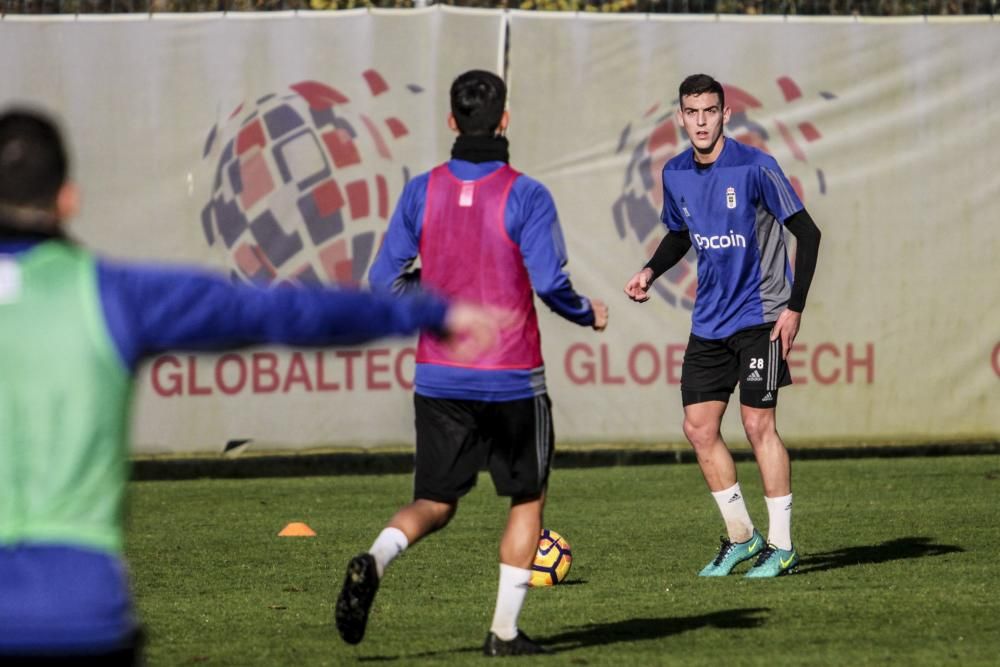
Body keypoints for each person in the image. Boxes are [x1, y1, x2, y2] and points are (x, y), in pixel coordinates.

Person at [0, 107, 499, 664]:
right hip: (75, 616)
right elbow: (281, 312)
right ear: (69, 198)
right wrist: (430, 312)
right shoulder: (110, 295)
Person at [335, 69, 608, 657]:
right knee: (526, 499)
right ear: (505, 120)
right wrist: (588, 314)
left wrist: (436, 308)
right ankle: (504, 633)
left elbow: (383, 282)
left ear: (451, 122)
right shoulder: (527, 195)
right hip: (511, 379)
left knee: (434, 502)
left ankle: (376, 558)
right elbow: (550, 283)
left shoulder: (421, 190)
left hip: (440, 378)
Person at [624, 74, 822, 578]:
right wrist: (651, 269)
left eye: (710, 111)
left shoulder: (756, 166)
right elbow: (678, 235)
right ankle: (742, 537)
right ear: (681, 118)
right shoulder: (675, 174)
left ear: (725, 114)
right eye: (692, 112)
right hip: (709, 322)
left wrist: (794, 307)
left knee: (759, 426)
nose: (701, 121)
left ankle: (782, 545)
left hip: (761, 318)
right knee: (698, 428)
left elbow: (808, 232)